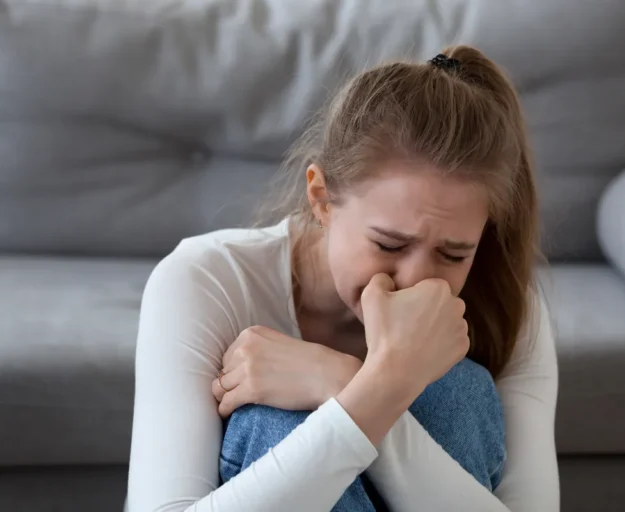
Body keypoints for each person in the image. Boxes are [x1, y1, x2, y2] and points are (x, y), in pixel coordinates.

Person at [126, 45, 559, 512]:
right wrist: (376, 391)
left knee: (457, 393)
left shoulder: (509, 303)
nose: (416, 279)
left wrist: (350, 383)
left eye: (453, 254)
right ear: (321, 198)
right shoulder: (205, 279)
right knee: (275, 422)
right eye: (390, 244)